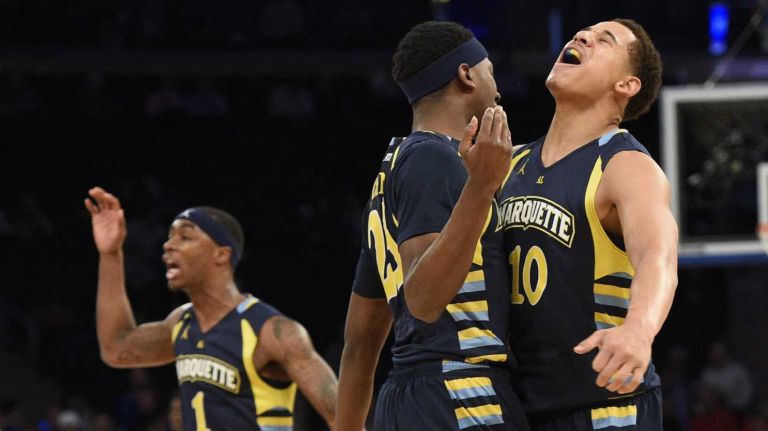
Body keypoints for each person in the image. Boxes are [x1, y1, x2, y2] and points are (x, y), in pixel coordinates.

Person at [336, 21, 529, 431]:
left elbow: (360, 344)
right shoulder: (433, 158)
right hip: (458, 390)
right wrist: (482, 186)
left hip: (407, 397)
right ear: (466, 75)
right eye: (490, 72)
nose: (498, 89)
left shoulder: (390, 173)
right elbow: (422, 300)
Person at [498, 18, 676, 430]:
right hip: (523, 404)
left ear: (626, 85)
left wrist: (638, 331)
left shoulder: (626, 164)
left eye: (604, 40)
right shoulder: (510, 163)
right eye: (583, 33)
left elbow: (658, 257)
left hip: (602, 404)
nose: (581, 37)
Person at [84, 186, 337, 431]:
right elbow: (116, 348)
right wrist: (111, 254)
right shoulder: (181, 324)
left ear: (221, 255)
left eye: (185, 237)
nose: (168, 245)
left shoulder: (274, 332)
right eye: (170, 236)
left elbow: (344, 416)